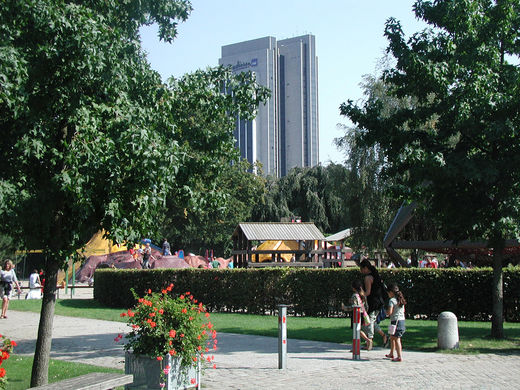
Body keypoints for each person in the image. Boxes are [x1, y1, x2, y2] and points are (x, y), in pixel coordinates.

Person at [359, 259, 387, 350]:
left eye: (361, 269)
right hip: (378, 301)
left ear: (366, 268)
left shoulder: (368, 278)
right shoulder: (376, 276)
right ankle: (384, 336)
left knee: (369, 322)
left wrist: (360, 294)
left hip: (372, 303)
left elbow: (368, 292)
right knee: (372, 321)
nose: (361, 271)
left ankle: (369, 341)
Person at [341, 279, 371, 348]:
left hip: (356, 314)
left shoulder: (354, 295)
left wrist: (345, 308)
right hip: (362, 313)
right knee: (358, 329)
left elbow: (354, 307)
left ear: (353, 288)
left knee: (356, 330)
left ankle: (366, 341)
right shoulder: (363, 294)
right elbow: (366, 306)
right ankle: (357, 346)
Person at [385, 283, 406, 362]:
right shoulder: (401, 299)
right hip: (401, 320)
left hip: (395, 322)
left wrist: (385, 312)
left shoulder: (392, 300)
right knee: (392, 337)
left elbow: (389, 312)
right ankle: (391, 353)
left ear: (391, 292)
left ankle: (399, 356)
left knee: (396, 339)